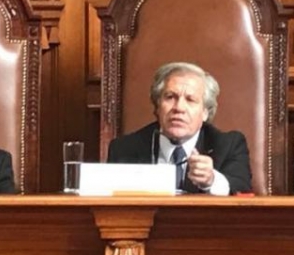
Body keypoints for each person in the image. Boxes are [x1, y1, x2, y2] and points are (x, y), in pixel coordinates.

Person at [107, 62, 252, 195]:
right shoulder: (124, 148)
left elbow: (242, 190)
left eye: (190, 100)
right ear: (157, 106)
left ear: (205, 112)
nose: (179, 108)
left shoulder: (228, 145)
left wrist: (211, 180)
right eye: (170, 97)